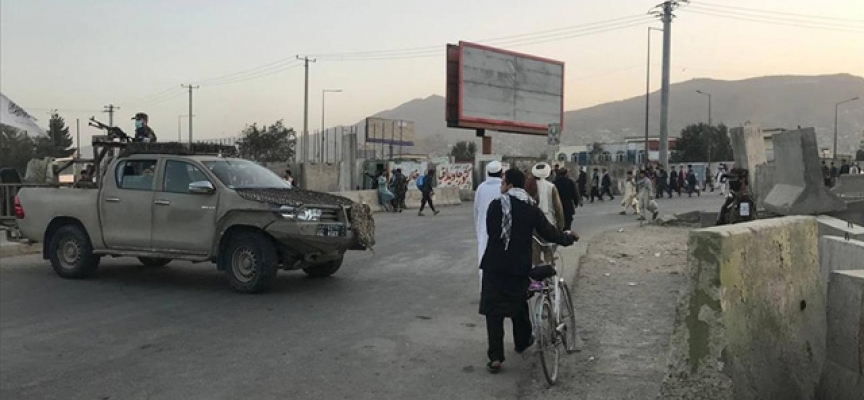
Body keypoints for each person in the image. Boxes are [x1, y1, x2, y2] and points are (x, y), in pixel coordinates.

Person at [479, 168, 578, 373]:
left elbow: (491, 231)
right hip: (517, 268)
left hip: (493, 266)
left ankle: (495, 357)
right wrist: (568, 238)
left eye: (503, 182)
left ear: (509, 185)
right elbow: (549, 233)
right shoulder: (530, 208)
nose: (501, 186)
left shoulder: (495, 205)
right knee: (518, 306)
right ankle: (522, 342)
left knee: (493, 312)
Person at [531, 163, 566, 266]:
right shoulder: (551, 187)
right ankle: (549, 266)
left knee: (535, 253)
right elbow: (558, 208)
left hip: (533, 225)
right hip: (549, 223)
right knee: (549, 249)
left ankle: (536, 269)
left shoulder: (529, 187)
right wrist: (560, 225)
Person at [475, 161, 504, 269]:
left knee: (483, 254)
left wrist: (478, 227)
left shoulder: (481, 188)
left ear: (487, 173)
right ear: (501, 173)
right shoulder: (503, 188)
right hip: (501, 228)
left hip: (483, 227)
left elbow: (476, 210)